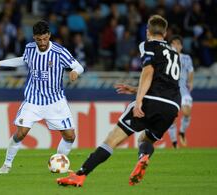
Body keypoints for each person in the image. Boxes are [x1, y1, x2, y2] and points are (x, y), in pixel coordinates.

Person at [56, 15, 181, 187]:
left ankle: (80, 175)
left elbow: (148, 72)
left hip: (150, 101)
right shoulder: (174, 53)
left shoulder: (148, 45)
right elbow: (165, 83)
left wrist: (138, 100)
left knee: (111, 141)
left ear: (147, 31)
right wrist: (134, 89)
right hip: (172, 106)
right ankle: (143, 157)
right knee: (144, 140)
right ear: (165, 33)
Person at [0, 20, 84, 174]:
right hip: (34, 100)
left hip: (55, 100)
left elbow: (78, 66)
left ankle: (59, 163)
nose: (42, 42)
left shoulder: (59, 52)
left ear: (49, 36)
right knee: (21, 133)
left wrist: (75, 72)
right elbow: (22, 60)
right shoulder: (30, 48)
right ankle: (7, 165)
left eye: (45, 39)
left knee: (70, 136)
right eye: (39, 39)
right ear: (34, 38)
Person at [167, 35, 194, 148]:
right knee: (171, 118)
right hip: (170, 91)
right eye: (173, 43)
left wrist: (191, 82)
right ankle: (174, 142)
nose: (176, 46)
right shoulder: (167, 57)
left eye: (178, 43)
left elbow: (191, 70)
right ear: (169, 46)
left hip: (183, 89)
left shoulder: (186, 58)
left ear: (181, 46)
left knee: (187, 112)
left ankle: (182, 132)